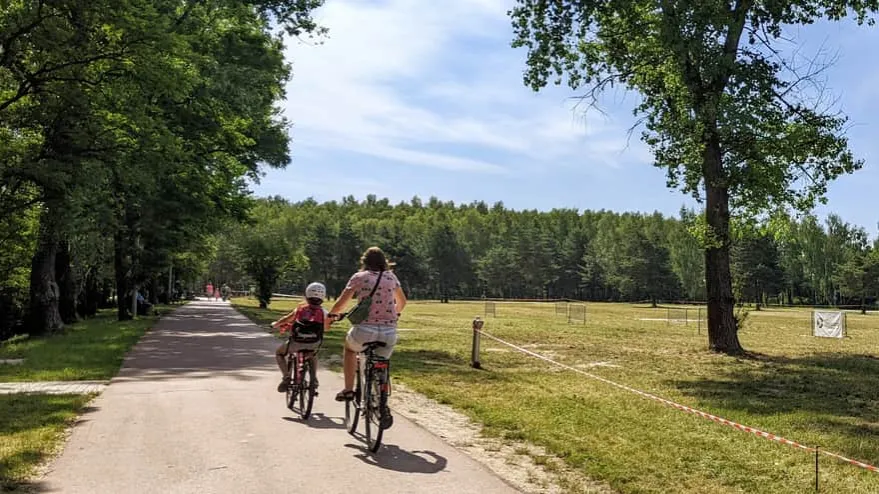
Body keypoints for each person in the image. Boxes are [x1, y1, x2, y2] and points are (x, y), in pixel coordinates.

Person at [328, 247, 407, 412]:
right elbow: (402, 301)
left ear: (364, 261)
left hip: (364, 330)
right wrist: (395, 313)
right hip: (389, 332)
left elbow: (342, 302)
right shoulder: (391, 277)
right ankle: (381, 395)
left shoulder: (359, 277)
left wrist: (331, 316)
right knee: (381, 360)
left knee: (350, 350)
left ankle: (349, 389)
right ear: (384, 262)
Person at [272, 282, 331, 393]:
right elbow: (327, 328)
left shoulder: (300, 309)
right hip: (314, 342)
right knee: (312, 353)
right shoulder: (324, 312)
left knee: (279, 353)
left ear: (306, 295)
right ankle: (314, 378)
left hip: (296, 342)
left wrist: (276, 324)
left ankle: (286, 376)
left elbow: (287, 319)